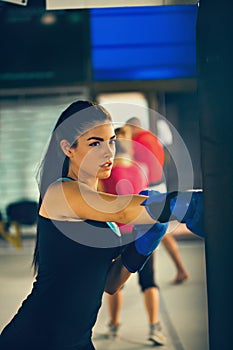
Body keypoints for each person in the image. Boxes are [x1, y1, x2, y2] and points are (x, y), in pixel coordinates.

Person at [0, 100, 203, 350]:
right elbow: (124, 208)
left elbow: (110, 283)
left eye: (111, 141)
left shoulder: (100, 212)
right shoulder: (60, 193)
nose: (108, 152)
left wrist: (141, 247)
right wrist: (189, 204)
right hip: (34, 339)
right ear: (68, 148)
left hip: (77, 342)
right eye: (95, 143)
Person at [99, 127, 167, 345]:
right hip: (135, 232)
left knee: (117, 281)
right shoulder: (141, 168)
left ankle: (116, 324)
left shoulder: (111, 172)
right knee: (145, 281)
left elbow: (101, 203)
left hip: (125, 233)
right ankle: (150, 326)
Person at [126, 117, 189, 284]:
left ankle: (177, 271)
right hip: (159, 184)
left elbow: (135, 166)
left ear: (133, 128)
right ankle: (179, 270)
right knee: (162, 230)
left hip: (152, 188)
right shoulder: (152, 138)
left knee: (161, 230)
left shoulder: (138, 142)